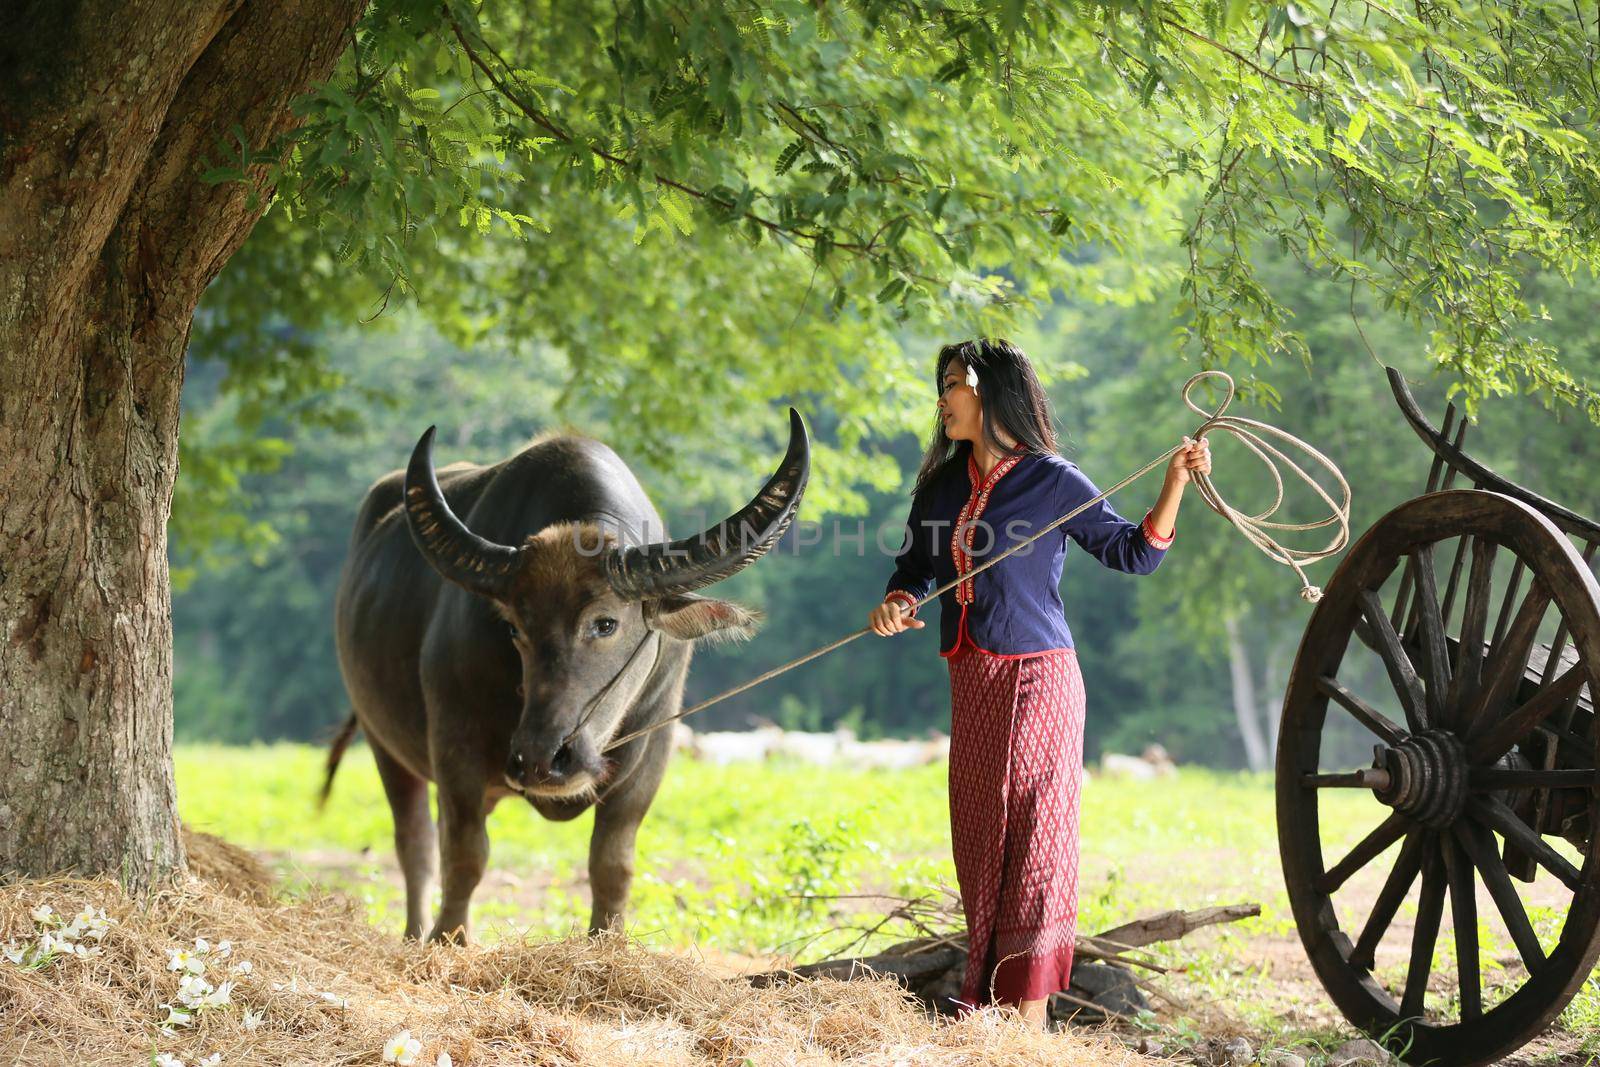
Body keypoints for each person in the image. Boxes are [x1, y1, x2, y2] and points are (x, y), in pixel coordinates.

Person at [868, 338, 1209, 1029]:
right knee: (978, 837)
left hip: (1039, 678)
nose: (943, 398)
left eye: (954, 383)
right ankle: (988, 1007)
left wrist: (1175, 482)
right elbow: (914, 571)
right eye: (941, 385)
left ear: (992, 392)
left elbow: (1134, 552)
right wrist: (898, 601)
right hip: (973, 679)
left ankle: (1027, 1022)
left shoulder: (1053, 481)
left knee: (1033, 844)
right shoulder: (941, 486)